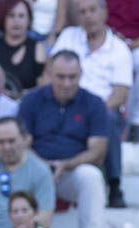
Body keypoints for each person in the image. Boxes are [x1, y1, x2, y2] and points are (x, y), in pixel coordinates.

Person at [17, 50, 109, 228]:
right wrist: (43, 167)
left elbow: (98, 150)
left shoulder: (94, 103)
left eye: (72, 77)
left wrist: (65, 165)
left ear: (80, 74)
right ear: (49, 73)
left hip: (71, 171)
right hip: (35, 168)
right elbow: (21, 143)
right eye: (60, 77)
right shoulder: (31, 100)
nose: (66, 83)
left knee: (91, 177)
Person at [50, 0, 132, 207]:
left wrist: (94, 112)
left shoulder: (119, 49)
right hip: (64, 102)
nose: (88, 16)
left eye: (92, 10)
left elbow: (120, 94)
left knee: (108, 118)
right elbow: (50, 73)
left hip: (101, 108)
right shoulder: (68, 37)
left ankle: (114, 184)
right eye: (82, 12)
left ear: (105, 12)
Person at [105, 0, 139, 143]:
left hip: (135, 45)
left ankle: (137, 121)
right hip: (106, 41)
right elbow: (94, 17)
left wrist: (128, 45)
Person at [0, 0, 45, 99]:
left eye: (21, 16)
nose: (16, 21)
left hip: (24, 103)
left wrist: (19, 95)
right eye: (11, 15)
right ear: (3, 18)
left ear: (29, 20)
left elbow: (42, 88)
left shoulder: (37, 48)